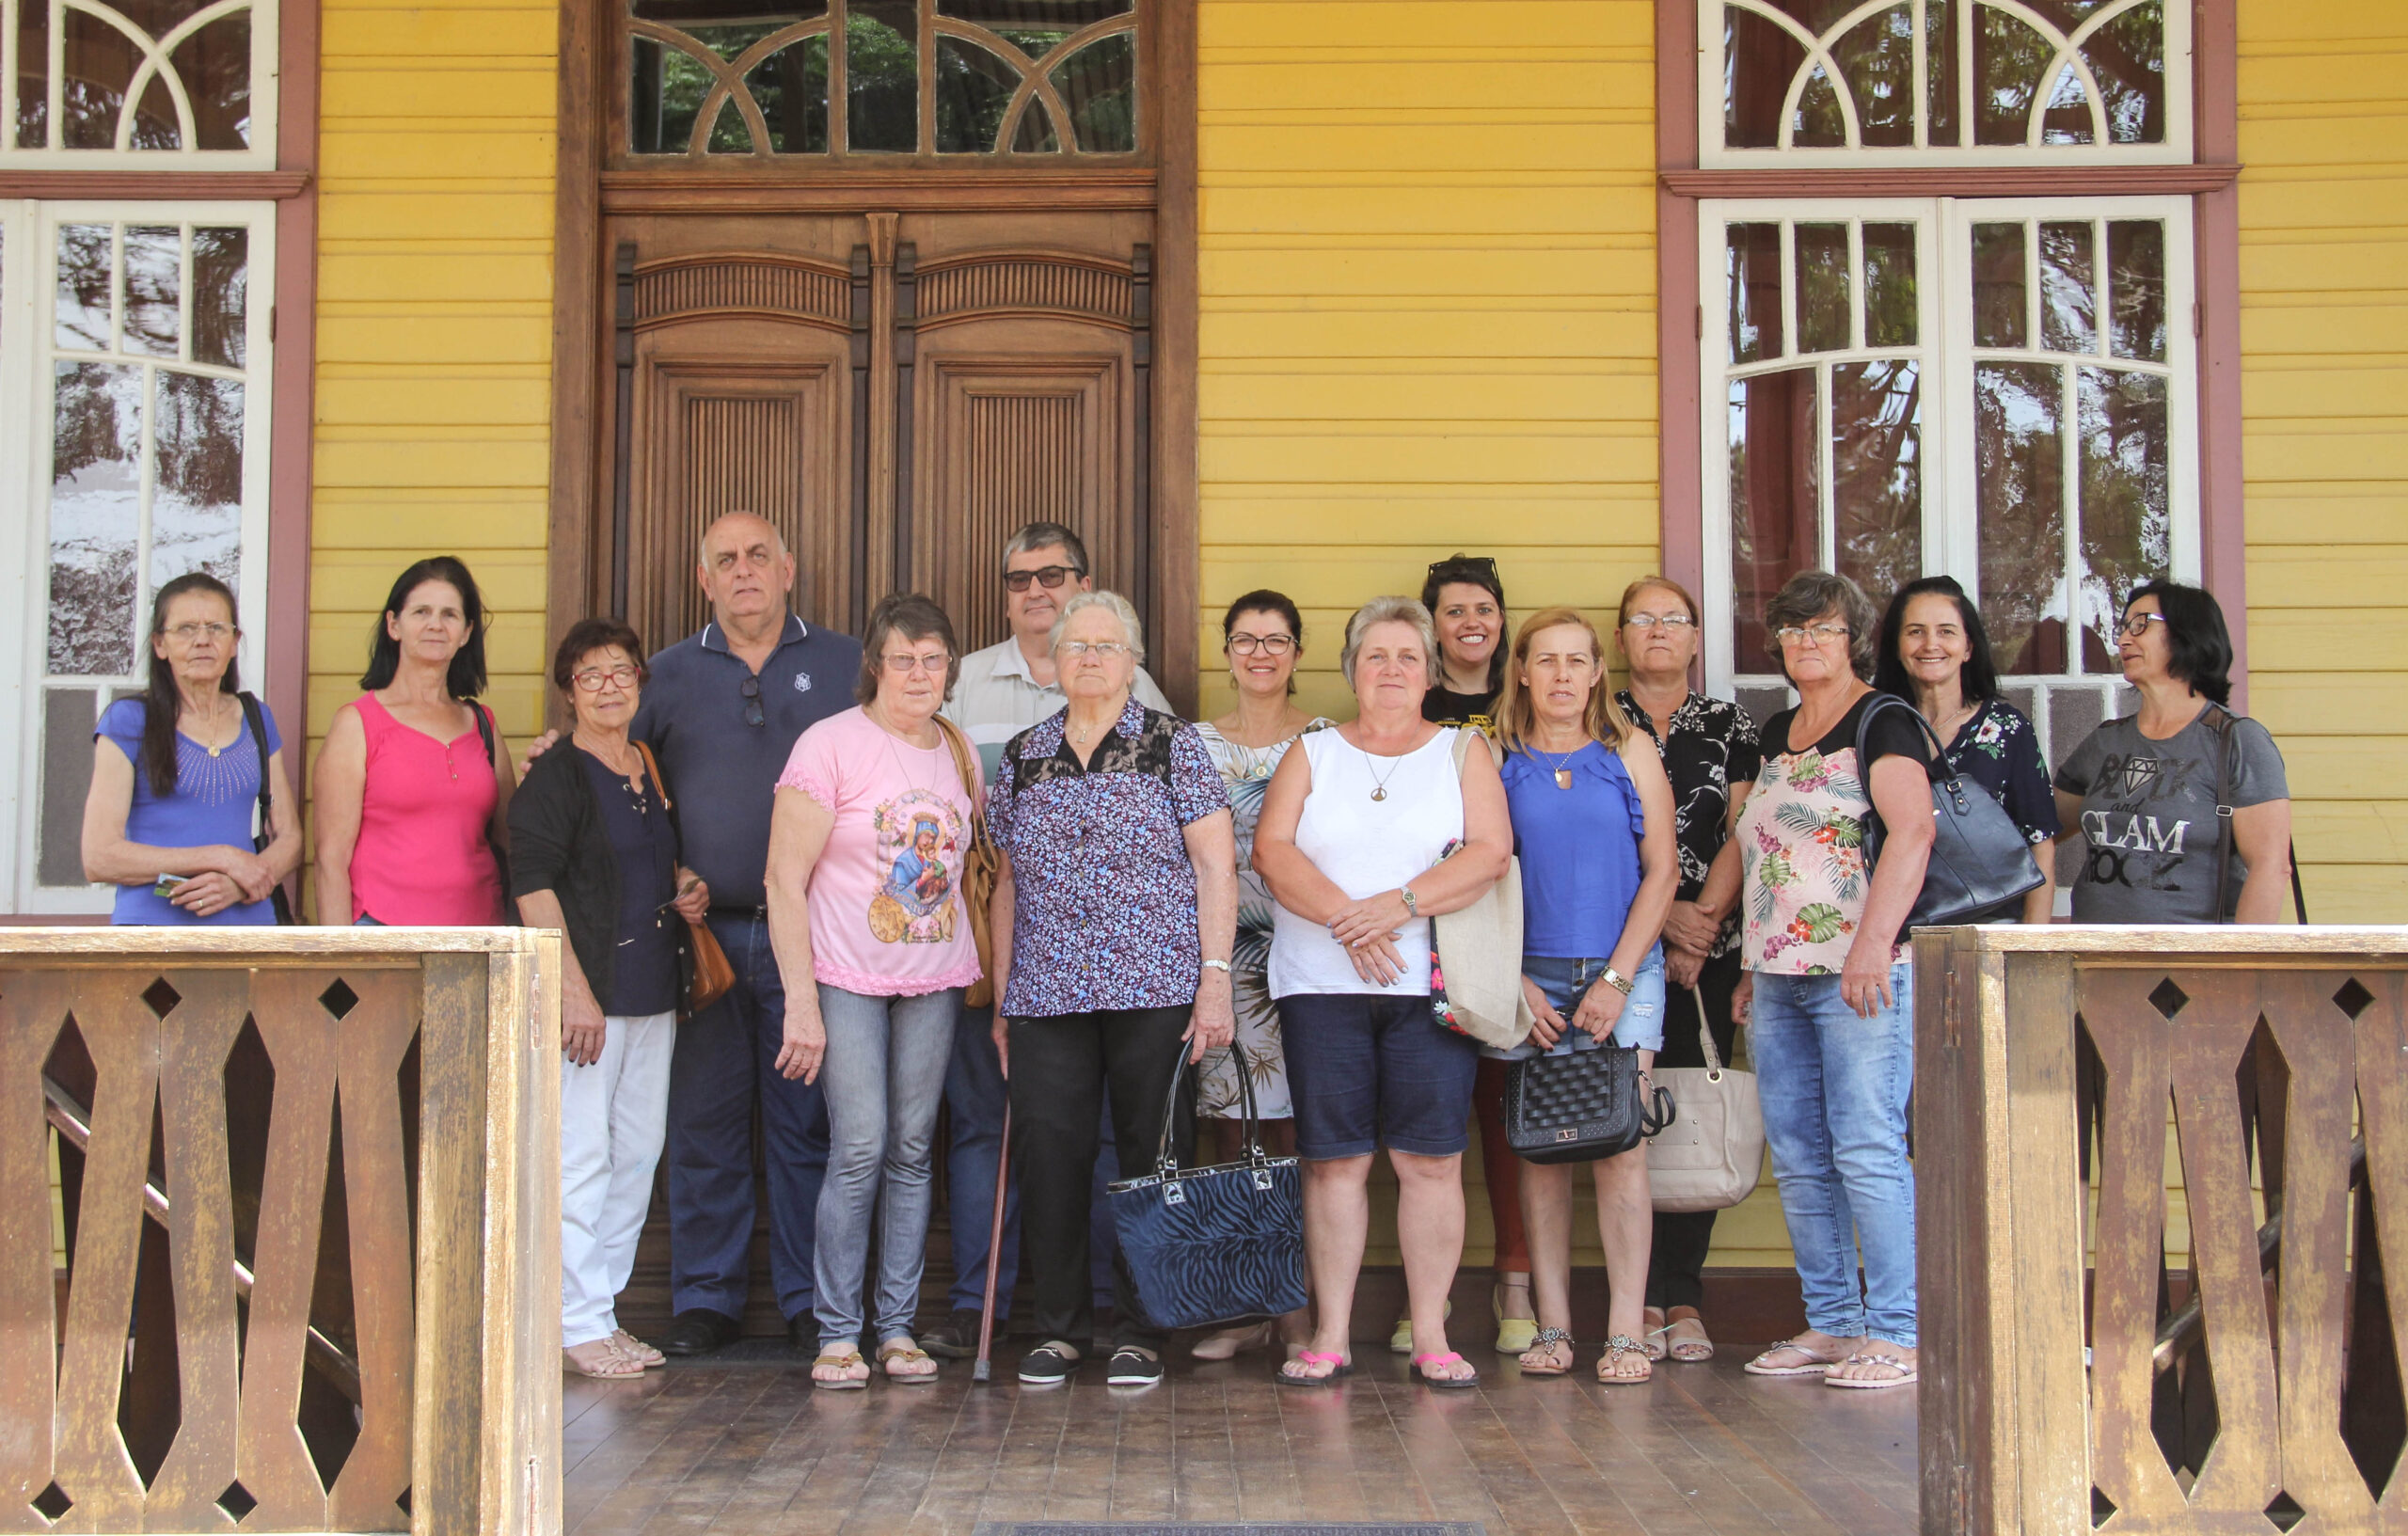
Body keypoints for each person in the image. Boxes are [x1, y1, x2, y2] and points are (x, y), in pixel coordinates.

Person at [572, 512, 861, 1358]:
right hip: (698, 940)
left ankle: (815, 1302)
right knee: (702, 1123)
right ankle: (705, 1297)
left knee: (809, 1122)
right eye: (726, 560)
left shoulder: (845, 665)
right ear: (704, 580)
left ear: (789, 566)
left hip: (813, 937)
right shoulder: (660, 674)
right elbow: (619, 783)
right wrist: (668, 878)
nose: (744, 572)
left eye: (759, 556)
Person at [922, 521, 1174, 1359]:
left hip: (1139, 976)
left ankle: (1117, 1310)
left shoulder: (1154, 718)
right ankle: (982, 1306)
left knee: (1115, 1142)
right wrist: (999, 980)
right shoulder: (965, 690)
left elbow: (1198, 848)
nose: (1035, 590)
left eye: (1053, 575)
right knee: (998, 1134)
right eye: (1018, 578)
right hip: (1003, 958)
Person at [1253, 596, 1513, 1389]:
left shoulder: (1463, 751)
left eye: (1407, 656)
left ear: (1430, 672)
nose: (1392, 669)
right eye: (1376, 656)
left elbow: (1491, 852)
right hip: (1319, 986)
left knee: (1429, 1161)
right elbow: (1272, 849)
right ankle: (1330, 1333)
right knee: (1333, 1162)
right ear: (1350, 670)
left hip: (1429, 988)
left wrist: (1393, 909)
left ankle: (1431, 1331)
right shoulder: (1315, 751)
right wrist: (1347, 920)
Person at [985, 590, 1237, 1388]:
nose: (1089, 657)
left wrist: (1216, 981)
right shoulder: (1025, 753)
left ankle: (1143, 1328)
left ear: (1132, 661)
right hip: (1047, 992)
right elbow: (1003, 884)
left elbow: (1215, 868)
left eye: (1105, 644)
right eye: (1075, 646)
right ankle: (1058, 1328)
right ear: (1054, 663)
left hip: (1156, 985)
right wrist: (1001, 994)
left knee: (1152, 1155)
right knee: (1051, 1156)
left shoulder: (1173, 746)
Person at [765, 595, 982, 1389]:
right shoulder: (830, 745)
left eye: (933, 659)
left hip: (934, 977)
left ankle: (895, 1326)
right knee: (860, 1146)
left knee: (913, 1150)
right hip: (844, 975)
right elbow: (783, 879)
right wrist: (799, 1001)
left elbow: (966, 865)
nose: (918, 674)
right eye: (903, 659)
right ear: (874, 665)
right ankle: (836, 1331)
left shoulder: (956, 750)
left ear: (949, 668)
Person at [1735, 571, 1934, 1392]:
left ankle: (1896, 1329)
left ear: (1851, 636)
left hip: (1861, 975)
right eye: (1791, 629)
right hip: (1778, 977)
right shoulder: (1778, 729)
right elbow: (1761, 856)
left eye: (1821, 628)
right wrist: (1748, 967)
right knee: (1802, 1154)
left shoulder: (1881, 720)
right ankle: (1833, 1321)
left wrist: (1871, 945)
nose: (1805, 642)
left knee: (1866, 1144)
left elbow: (1913, 831)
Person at [507, 619, 710, 1379]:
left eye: (621, 671)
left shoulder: (643, 764)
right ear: (568, 691)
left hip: (652, 992)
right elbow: (532, 882)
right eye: (590, 675)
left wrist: (686, 886)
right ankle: (574, 1320)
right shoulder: (556, 775)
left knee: (636, 1157)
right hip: (587, 998)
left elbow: (657, 860)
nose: (608, 686)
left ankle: (603, 1309)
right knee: (582, 1157)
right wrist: (571, 991)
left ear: (639, 682)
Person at [1489, 608, 1679, 1385]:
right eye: (1547, 660)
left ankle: (1627, 1332)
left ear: (1599, 671)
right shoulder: (1495, 758)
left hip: (1623, 974)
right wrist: (1512, 978)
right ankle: (1555, 1326)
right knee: (1541, 1154)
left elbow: (1663, 871)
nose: (1563, 674)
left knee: (1620, 1152)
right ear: (1524, 673)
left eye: (1578, 660)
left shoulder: (1628, 751)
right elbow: (1478, 878)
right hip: (1527, 977)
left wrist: (1616, 977)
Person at [1612, 576, 1762, 1365]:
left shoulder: (1729, 723)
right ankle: (1634, 1293)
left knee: (1697, 1106)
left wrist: (1699, 924)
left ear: (1697, 638)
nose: (1660, 631)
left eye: (1675, 619)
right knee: (1630, 1115)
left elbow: (1741, 828)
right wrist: (1661, 912)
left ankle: (1685, 1294)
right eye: (1643, 619)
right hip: (1622, 942)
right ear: (1621, 638)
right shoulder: (1601, 719)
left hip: (1710, 942)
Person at [1186, 590, 1329, 1362]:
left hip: (1309, 956)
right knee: (1231, 1131)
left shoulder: (1328, 741)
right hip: (1227, 959)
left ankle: (1297, 1307)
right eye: (1246, 639)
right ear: (1227, 650)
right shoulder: (1195, 745)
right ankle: (1242, 1302)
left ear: (1298, 651)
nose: (1261, 653)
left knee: (1301, 1136)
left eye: (1277, 639)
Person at [2052, 580, 2291, 925]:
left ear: (2187, 633)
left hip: (2191, 965)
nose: (2122, 640)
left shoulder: (2236, 741)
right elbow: (2039, 831)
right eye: (2124, 628)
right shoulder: (2105, 742)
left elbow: (2270, 866)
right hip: (2094, 959)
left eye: (2141, 624)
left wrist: (2239, 968)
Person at [81, 572, 300, 925]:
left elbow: (290, 837)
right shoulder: (128, 721)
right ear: (160, 645)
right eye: (185, 629)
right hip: (156, 931)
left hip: (252, 931)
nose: (202, 640)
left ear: (233, 642)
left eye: (216, 628)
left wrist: (238, 884)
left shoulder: (257, 717)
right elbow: (99, 857)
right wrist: (223, 857)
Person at [312, 556, 515, 925]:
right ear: (394, 625)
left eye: (450, 615)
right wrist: (340, 961)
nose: (435, 625)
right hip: (384, 934)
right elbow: (330, 860)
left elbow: (513, 836)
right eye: (421, 612)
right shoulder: (356, 723)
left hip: (480, 934)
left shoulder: (482, 724)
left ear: (467, 632)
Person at [1872, 576, 2058, 919]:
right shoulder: (1875, 726)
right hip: (1891, 935)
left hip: (1990, 931)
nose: (1931, 644)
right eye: (1915, 631)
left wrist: (2032, 948)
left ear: (1968, 647)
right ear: (1896, 647)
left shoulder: (2006, 728)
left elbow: (2040, 841)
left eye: (1946, 631)